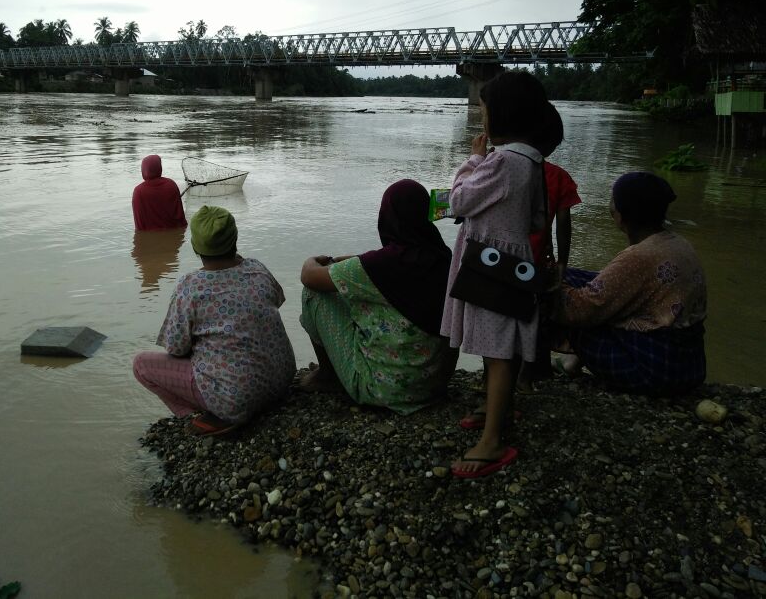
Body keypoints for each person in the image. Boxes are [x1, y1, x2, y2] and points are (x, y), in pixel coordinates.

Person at [441, 70, 555, 479]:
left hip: (491, 265)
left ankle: (492, 443)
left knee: (498, 353)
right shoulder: (533, 160)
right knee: (500, 345)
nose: (483, 119)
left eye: (485, 111)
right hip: (515, 260)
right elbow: (539, 218)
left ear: (502, 114)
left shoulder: (502, 161)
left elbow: (457, 201)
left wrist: (473, 159)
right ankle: (497, 410)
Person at [298, 179, 458, 414]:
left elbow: (309, 277)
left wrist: (311, 260)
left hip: (379, 390)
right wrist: (348, 260)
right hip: (432, 387)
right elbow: (373, 262)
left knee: (315, 293)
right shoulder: (444, 258)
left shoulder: (381, 266)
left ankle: (328, 375)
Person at [132, 206, 296, 435]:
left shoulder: (190, 287)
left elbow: (176, 348)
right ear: (235, 239)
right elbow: (276, 301)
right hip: (281, 381)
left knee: (141, 365)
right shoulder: (257, 269)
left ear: (195, 246)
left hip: (238, 399)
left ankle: (207, 415)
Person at [551, 172, 707, 395]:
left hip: (656, 372)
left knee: (554, 294)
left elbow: (578, 311)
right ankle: (572, 363)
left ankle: (530, 367)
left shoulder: (639, 258)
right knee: (571, 277)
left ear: (621, 215)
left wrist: (544, 284)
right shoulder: (678, 243)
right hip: (690, 366)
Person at [517, 105, 582, 391]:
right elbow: (563, 224)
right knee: (536, 319)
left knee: (503, 318)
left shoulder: (498, 169)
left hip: (499, 260)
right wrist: (562, 264)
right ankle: (532, 373)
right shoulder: (558, 176)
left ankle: (495, 377)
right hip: (537, 262)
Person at [132, 155, 187, 231]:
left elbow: (139, 222)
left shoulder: (138, 191)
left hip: (148, 237)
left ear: (144, 170)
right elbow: (180, 216)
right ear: (159, 167)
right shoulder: (171, 185)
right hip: (173, 235)